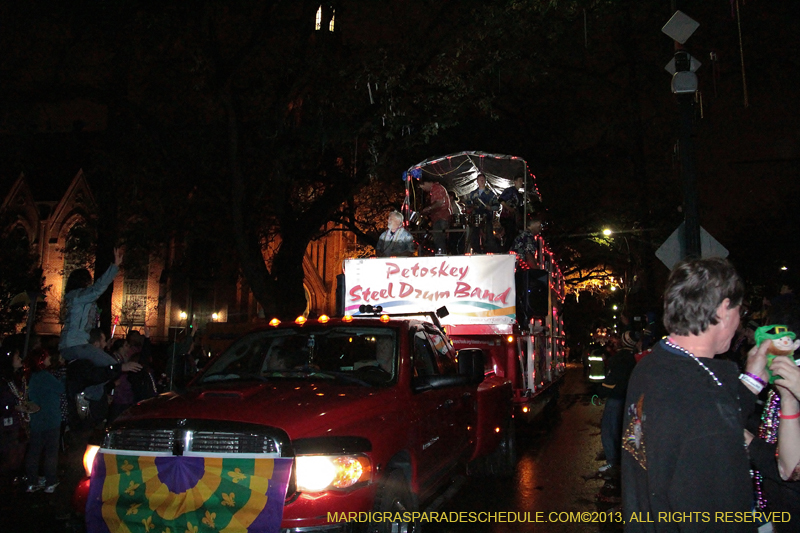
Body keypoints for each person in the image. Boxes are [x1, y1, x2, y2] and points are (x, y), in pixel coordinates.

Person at [621, 257, 767, 531]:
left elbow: (710, 415)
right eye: (740, 312)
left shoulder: (653, 365)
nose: (739, 322)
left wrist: (752, 382)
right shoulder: (702, 404)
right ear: (724, 309)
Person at [24, 348, 64, 493]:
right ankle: (50, 481)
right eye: (46, 357)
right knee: (51, 452)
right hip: (50, 418)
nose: (49, 359)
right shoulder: (45, 376)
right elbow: (61, 388)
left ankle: (32, 481)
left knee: (34, 451)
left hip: (37, 419)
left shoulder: (32, 376)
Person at [598, 330, 639, 474]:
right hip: (628, 399)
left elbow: (611, 381)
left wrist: (600, 393)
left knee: (609, 430)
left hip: (615, 399)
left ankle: (612, 462)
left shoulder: (619, 359)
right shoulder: (633, 358)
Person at [464, 173, 499, 253]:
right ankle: (477, 252)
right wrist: (470, 207)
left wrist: (490, 208)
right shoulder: (472, 194)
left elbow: (497, 206)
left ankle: (490, 252)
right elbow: (468, 205)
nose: (482, 181)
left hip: (487, 217)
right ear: (477, 181)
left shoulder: (490, 194)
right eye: (480, 180)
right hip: (475, 218)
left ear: (485, 181)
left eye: (483, 180)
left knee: (489, 236)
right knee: (474, 236)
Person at [419, 176, 451, 255]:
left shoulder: (436, 188)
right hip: (439, 218)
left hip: (441, 217)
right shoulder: (434, 190)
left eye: (422, 187)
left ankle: (441, 256)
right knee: (438, 239)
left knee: (439, 239)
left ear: (425, 183)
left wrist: (428, 208)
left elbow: (439, 202)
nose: (424, 190)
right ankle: (441, 254)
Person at [499, 176, 525, 250]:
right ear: (515, 182)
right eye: (520, 180)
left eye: (522, 181)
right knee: (510, 234)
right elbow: (501, 200)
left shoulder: (519, 195)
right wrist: (509, 208)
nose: (521, 182)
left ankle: (510, 249)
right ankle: (505, 250)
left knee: (514, 234)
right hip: (506, 217)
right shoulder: (510, 191)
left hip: (514, 218)